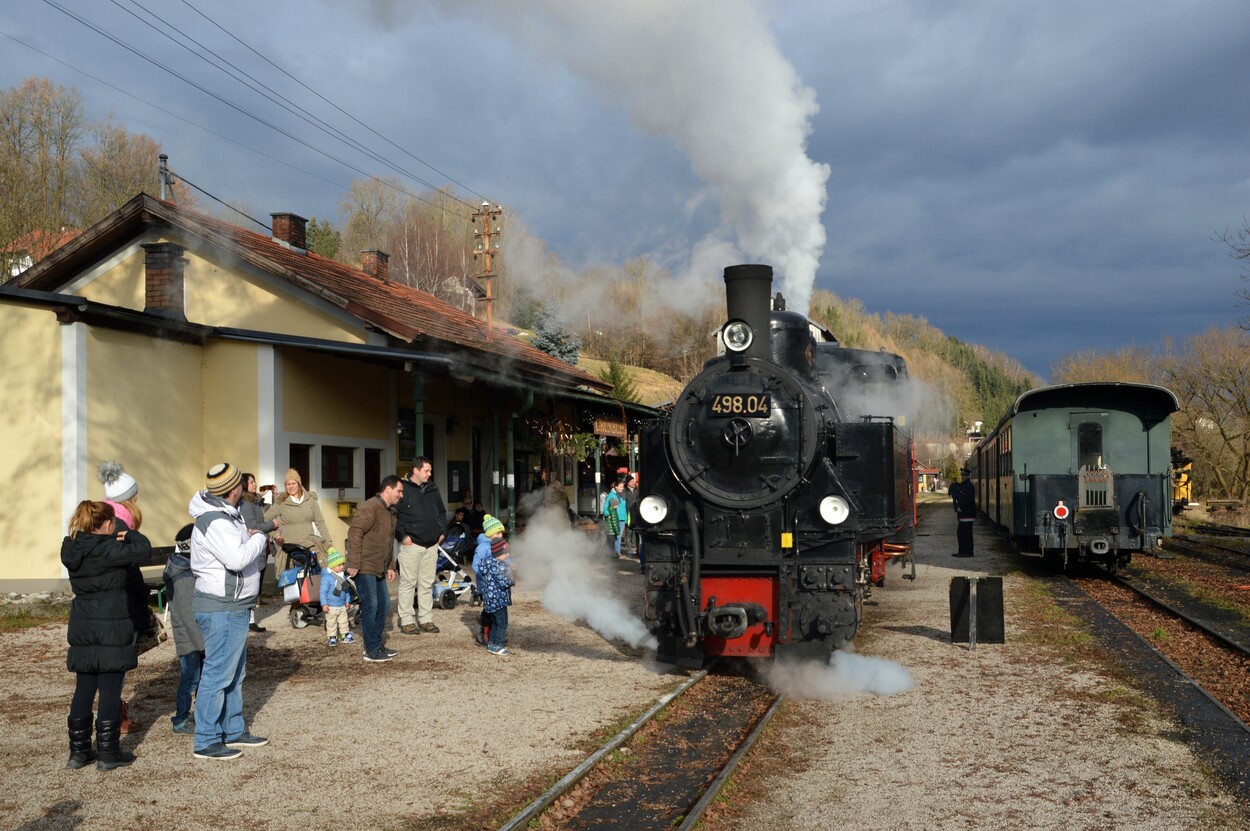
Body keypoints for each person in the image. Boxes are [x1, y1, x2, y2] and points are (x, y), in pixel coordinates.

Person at [61, 500, 153, 771]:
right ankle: (108, 753)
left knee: (84, 688)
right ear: (108, 524)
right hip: (111, 624)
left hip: (83, 622)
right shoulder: (110, 549)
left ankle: (78, 753)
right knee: (110, 690)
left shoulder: (73, 548)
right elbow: (144, 550)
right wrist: (130, 534)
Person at [189, 462, 270, 761]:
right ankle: (207, 739)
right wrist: (259, 538)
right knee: (218, 672)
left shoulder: (226, 516)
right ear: (234, 489)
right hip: (221, 607)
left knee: (235, 672)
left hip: (233, 605)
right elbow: (237, 559)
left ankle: (233, 728)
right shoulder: (216, 521)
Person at [97, 460, 148, 733]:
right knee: (115, 664)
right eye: (134, 495)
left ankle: (114, 714)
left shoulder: (106, 520)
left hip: (105, 604)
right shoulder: (118, 525)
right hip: (120, 605)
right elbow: (127, 565)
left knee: (109, 666)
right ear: (129, 499)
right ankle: (114, 719)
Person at [347, 475, 402, 662]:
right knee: (371, 605)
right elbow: (354, 532)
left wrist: (391, 565)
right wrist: (353, 563)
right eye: (399, 491)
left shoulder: (391, 512)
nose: (401, 495)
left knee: (384, 604)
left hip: (379, 565)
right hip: (364, 565)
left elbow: (388, 542)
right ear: (388, 489)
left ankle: (376, 645)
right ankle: (371, 650)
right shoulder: (370, 507)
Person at [394, 457, 446, 635]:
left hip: (431, 544)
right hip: (411, 544)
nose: (430, 474)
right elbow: (394, 514)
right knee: (408, 583)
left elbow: (441, 512)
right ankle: (407, 620)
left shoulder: (432, 488)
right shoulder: (402, 488)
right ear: (416, 470)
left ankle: (426, 619)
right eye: (427, 470)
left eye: (430, 471)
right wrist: (403, 536)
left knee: (427, 583)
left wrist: (442, 532)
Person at [163, 524, 203, 735]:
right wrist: (204, 643)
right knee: (191, 678)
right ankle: (180, 719)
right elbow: (188, 614)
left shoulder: (184, 568)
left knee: (197, 677)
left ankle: (200, 715)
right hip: (190, 637)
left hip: (194, 635)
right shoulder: (183, 576)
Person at [264, 468, 332, 576]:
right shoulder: (281, 502)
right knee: (293, 583)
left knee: (313, 579)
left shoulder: (310, 500)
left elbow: (320, 522)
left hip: (309, 546)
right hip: (291, 548)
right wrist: (275, 535)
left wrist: (328, 542)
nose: (291, 487)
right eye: (288, 484)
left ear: (299, 484)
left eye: (293, 483)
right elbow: (265, 519)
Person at [239, 472, 280, 632]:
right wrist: (272, 524)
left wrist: (266, 497)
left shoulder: (253, 501)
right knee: (252, 586)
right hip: (254, 549)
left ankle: (249, 619)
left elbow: (261, 513)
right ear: (244, 485)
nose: (255, 484)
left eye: (254, 481)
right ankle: (248, 620)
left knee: (256, 585)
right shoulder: (247, 504)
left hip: (260, 548)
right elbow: (253, 525)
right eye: (251, 482)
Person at [474, 514, 514, 656]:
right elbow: (477, 567)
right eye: (497, 532)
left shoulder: (497, 549)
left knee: (495, 617)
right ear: (490, 533)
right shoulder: (483, 549)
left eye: (501, 532)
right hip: (489, 591)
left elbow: (504, 559)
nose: (500, 535)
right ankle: (493, 640)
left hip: (492, 592)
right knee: (495, 618)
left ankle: (494, 640)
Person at [320, 548, 356, 647]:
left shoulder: (343, 576)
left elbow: (346, 590)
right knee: (331, 622)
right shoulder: (327, 578)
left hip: (341, 605)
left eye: (342, 565)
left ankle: (345, 635)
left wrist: (347, 601)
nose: (341, 567)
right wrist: (324, 604)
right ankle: (332, 637)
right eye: (339, 565)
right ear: (332, 566)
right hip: (331, 606)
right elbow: (323, 592)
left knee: (344, 621)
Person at [949, 469, 976, 558]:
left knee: (965, 533)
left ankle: (967, 552)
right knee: (961, 533)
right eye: (962, 475)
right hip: (964, 514)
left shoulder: (968, 486)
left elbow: (968, 499)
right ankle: (963, 551)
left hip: (967, 514)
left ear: (968, 476)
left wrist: (961, 507)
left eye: (964, 475)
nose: (963, 477)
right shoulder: (965, 485)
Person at [602, 478, 628, 557]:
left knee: (619, 536)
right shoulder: (611, 495)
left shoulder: (621, 495)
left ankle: (616, 552)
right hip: (615, 517)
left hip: (622, 518)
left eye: (623, 487)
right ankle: (616, 552)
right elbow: (605, 506)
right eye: (620, 487)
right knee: (617, 536)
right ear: (616, 487)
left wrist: (626, 518)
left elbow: (623, 507)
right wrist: (607, 514)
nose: (622, 488)